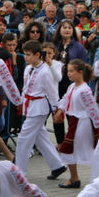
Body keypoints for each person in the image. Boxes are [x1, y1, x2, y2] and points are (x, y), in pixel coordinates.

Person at [15, 40, 65, 179]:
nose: (26, 57)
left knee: (24, 138)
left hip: (39, 107)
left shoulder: (45, 71)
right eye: (25, 54)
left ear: (37, 55)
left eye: (28, 55)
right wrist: (21, 101)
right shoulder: (28, 68)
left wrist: (56, 109)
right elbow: (25, 88)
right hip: (29, 105)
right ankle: (57, 165)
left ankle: (20, 171)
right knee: (40, 137)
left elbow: (51, 92)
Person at [53, 60, 99, 189]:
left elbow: (93, 109)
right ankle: (74, 178)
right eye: (68, 71)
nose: (68, 74)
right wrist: (60, 111)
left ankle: (96, 179)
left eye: (71, 71)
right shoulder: (72, 87)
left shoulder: (84, 90)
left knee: (69, 148)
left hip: (82, 123)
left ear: (80, 72)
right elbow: (65, 99)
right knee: (70, 149)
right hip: (74, 122)